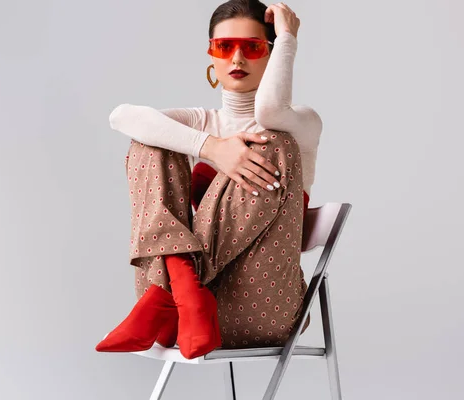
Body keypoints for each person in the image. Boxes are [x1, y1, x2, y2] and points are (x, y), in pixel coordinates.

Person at [95, 0, 322, 360]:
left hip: (263, 305)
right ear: (210, 57)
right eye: (224, 47)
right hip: (184, 320)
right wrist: (212, 147)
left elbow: (269, 112)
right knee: (149, 142)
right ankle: (184, 293)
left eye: (252, 47)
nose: (236, 59)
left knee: (272, 143)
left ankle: (179, 290)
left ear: (271, 54)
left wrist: (288, 38)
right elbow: (120, 116)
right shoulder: (201, 122)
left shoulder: (302, 123)